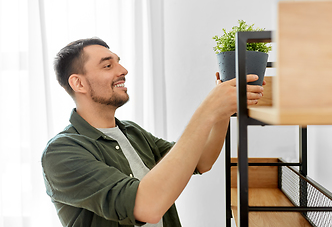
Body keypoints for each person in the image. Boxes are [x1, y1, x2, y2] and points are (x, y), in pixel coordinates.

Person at [41, 38, 264, 227]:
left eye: (119, 62)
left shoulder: (131, 132)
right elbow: (146, 207)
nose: (123, 71)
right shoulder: (61, 152)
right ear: (78, 83)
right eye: (108, 66)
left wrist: (223, 110)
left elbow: (201, 161)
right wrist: (206, 110)